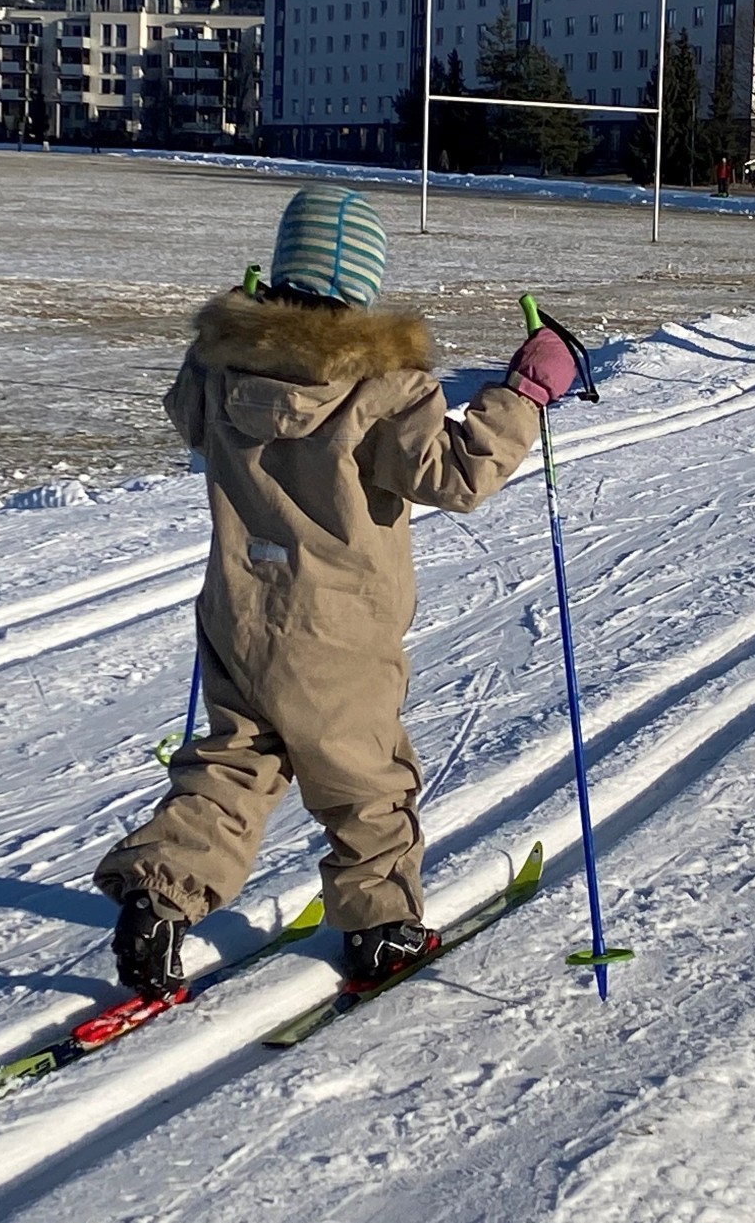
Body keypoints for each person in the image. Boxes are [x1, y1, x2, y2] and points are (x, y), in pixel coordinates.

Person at [94, 184, 576, 995]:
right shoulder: (383, 385)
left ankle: (157, 897)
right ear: (362, 285)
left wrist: (237, 325)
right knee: (365, 782)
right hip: (336, 630)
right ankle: (382, 928)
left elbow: (188, 415)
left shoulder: (217, 364)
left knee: (235, 762)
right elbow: (456, 475)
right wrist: (525, 395)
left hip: (239, 611)